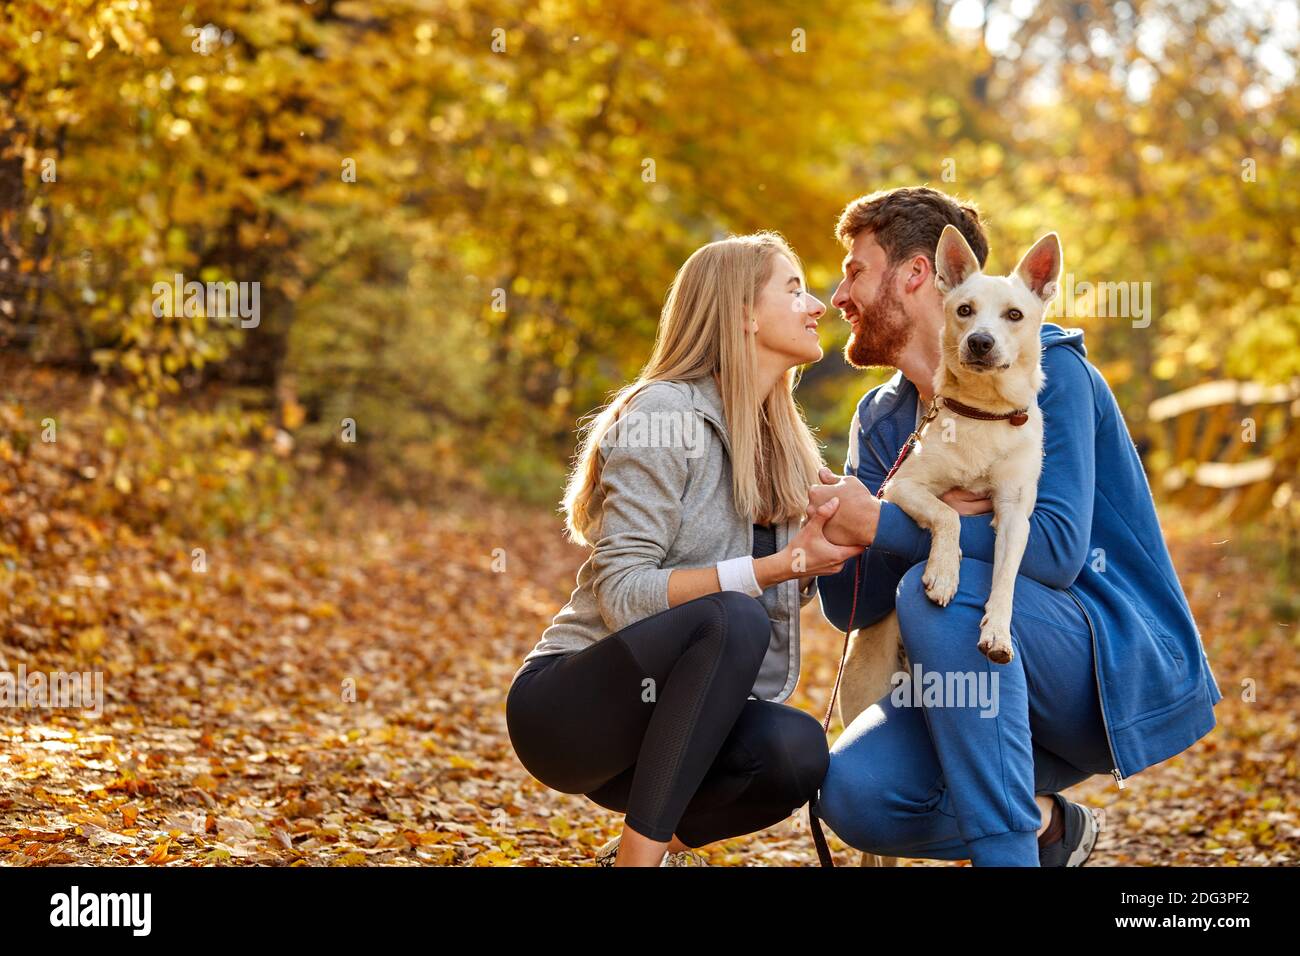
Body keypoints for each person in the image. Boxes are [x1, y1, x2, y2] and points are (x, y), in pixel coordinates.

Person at [811, 186, 1223, 867]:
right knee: (855, 795)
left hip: (1090, 669)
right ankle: (1042, 828)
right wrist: (835, 527)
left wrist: (888, 524)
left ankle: (1007, 858)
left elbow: (1056, 551)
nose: (838, 296)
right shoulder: (881, 420)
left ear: (918, 274)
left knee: (940, 590)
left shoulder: (1052, 375)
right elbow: (848, 608)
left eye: (854, 270)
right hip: (961, 691)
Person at [505, 232, 860, 866]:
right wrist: (776, 567)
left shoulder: (786, 444)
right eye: (795, 288)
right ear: (743, 314)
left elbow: (769, 594)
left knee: (797, 750)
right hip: (569, 713)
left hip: (669, 732)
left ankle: (643, 844)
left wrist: (811, 556)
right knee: (733, 612)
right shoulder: (663, 414)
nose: (818, 306)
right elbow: (623, 592)